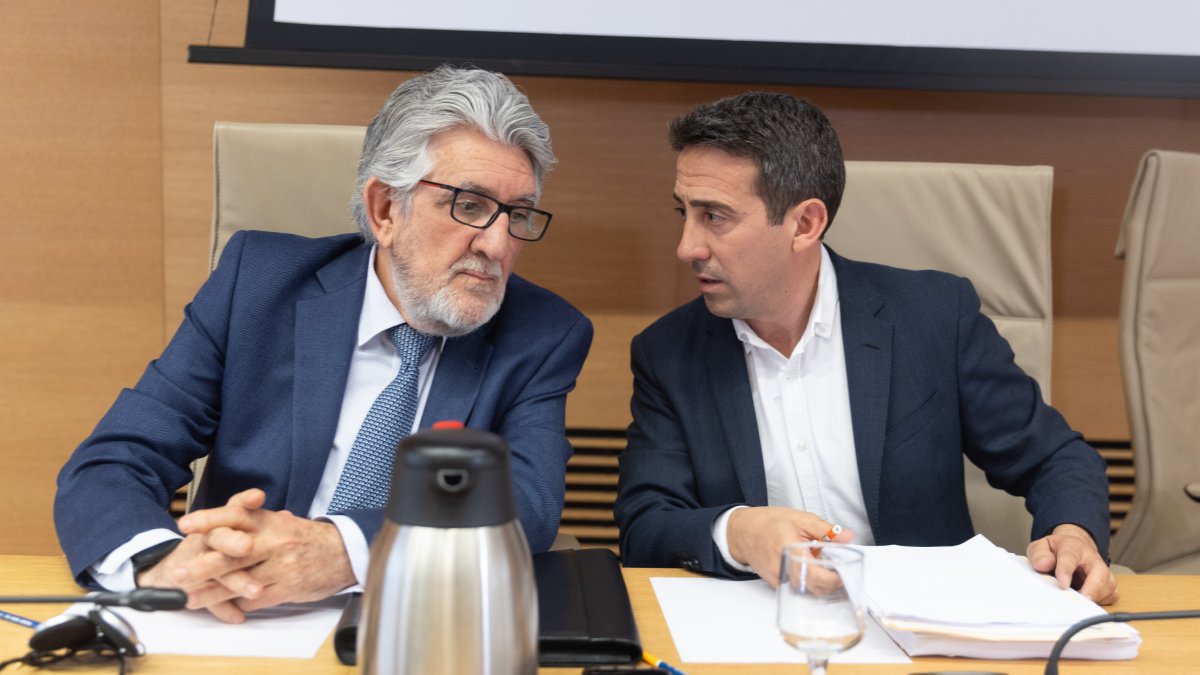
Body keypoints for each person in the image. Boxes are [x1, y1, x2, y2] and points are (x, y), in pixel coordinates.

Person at [55, 66, 593, 623]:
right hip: (234, 621)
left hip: (411, 622)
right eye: (470, 205)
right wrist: (164, 566)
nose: (498, 244)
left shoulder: (542, 333)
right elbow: (115, 460)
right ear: (385, 209)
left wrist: (342, 551)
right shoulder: (257, 285)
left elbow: (525, 506)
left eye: (518, 214)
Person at [614, 92, 1119, 604]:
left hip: (928, 625)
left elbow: (1056, 458)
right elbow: (646, 527)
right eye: (685, 212)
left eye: (715, 217)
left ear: (805, 224)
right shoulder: (668, 353)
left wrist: (1073, 533)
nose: (686, 247)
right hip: (762, 628)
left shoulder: (934, 318)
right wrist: (739, 532)